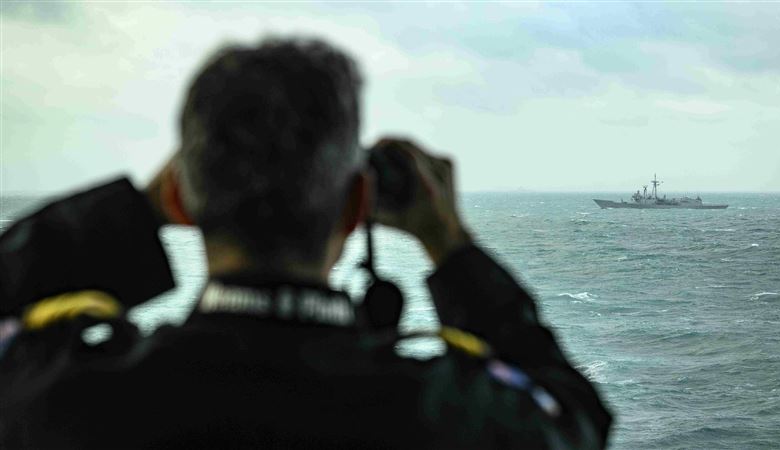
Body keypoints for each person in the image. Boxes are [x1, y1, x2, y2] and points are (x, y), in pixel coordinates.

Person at [0, 38, 611, 449]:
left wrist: (135, 212)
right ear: (355, 207)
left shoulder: (61, 397)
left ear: (183, 200)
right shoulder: (446, 416)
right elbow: (573, 416)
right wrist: (447, 242)